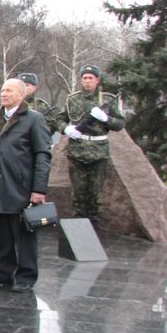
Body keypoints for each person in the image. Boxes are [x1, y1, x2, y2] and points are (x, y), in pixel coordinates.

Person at [0, 79, 52, 292]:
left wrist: (39, 189)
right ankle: (3, 273)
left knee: (24, 234)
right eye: (2, 90)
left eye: (9, 91)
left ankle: (26, 276)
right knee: (1, 236)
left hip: (22, 187)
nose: (4, 94)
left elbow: (43, 155)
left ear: (22, 95)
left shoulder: (34, 119)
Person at [57, 65, 125, 222]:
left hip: (99, 152)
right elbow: (59, 119)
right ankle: (79, 229)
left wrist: (106, 118)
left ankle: (94, 228)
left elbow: (120, 124)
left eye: (91, 78)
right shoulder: (72, 99)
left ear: (97, 80)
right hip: (77, 151)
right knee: (78, 194)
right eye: (84, 78)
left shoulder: (107, 99)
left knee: (96, 195)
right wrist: (66, 129)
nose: (87, 81)